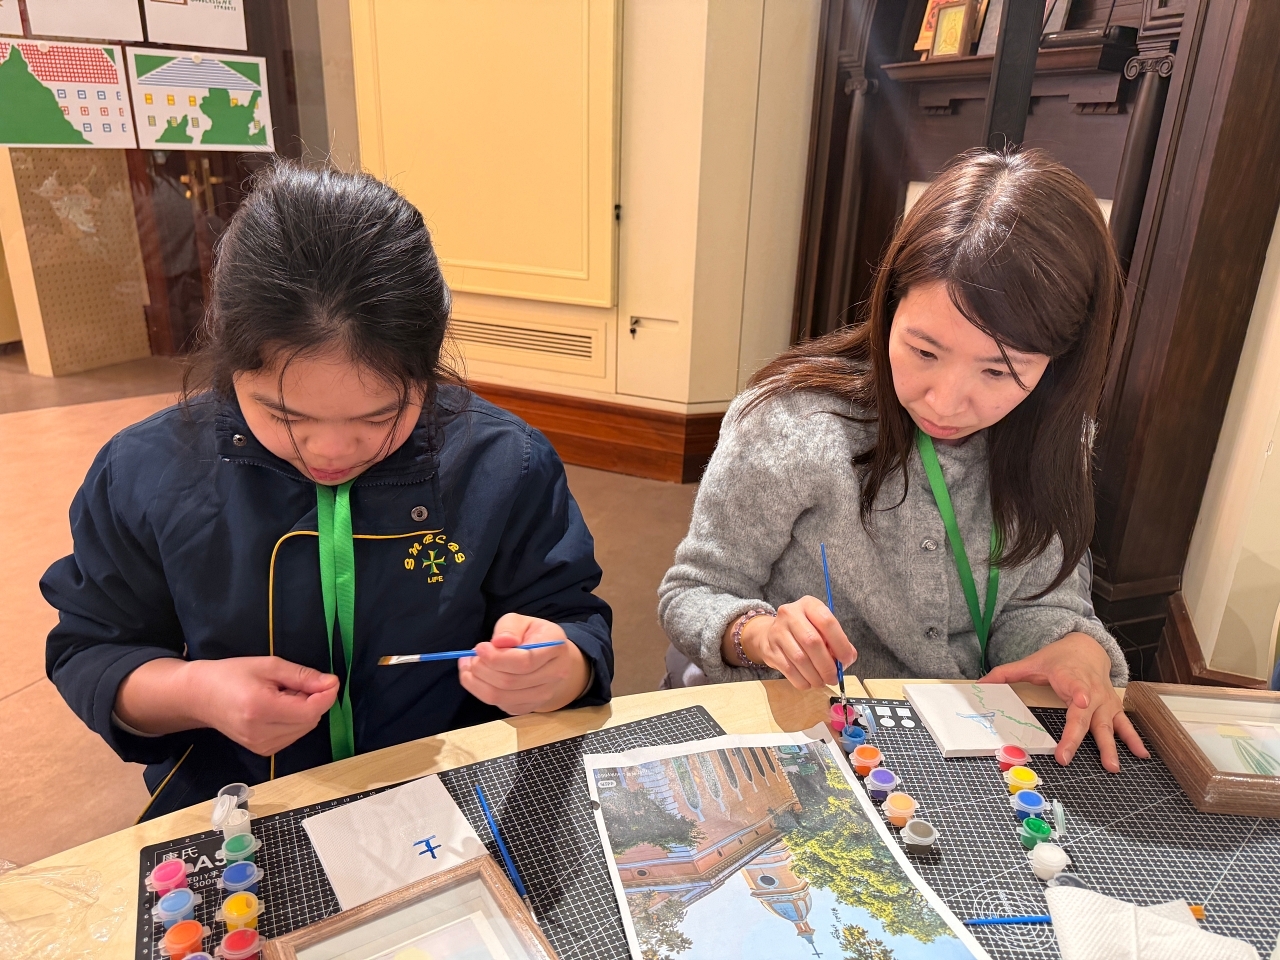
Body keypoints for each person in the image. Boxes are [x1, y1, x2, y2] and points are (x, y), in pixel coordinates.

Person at [42, 163, 613, 819]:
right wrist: (196, 691)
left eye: (380, 416)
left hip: (451, 800)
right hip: (241, 810)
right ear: (227, 359)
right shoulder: (145, 470)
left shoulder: (503, 463)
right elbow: (93, 649)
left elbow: (574, 622)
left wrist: (560, 665)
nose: (331, 451)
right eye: (284, 416)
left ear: (428, 369)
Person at [659, 148, 1147, 772]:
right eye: (923, 351)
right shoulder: (791, 423)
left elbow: (1043, 603)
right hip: (808, 734)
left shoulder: (1056, 439)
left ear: (1060, 364)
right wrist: (757, 632)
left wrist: (1073, 646)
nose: (945, 401)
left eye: (999, 371)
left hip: (963, 746)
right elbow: (694, 591)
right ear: (890, 306)